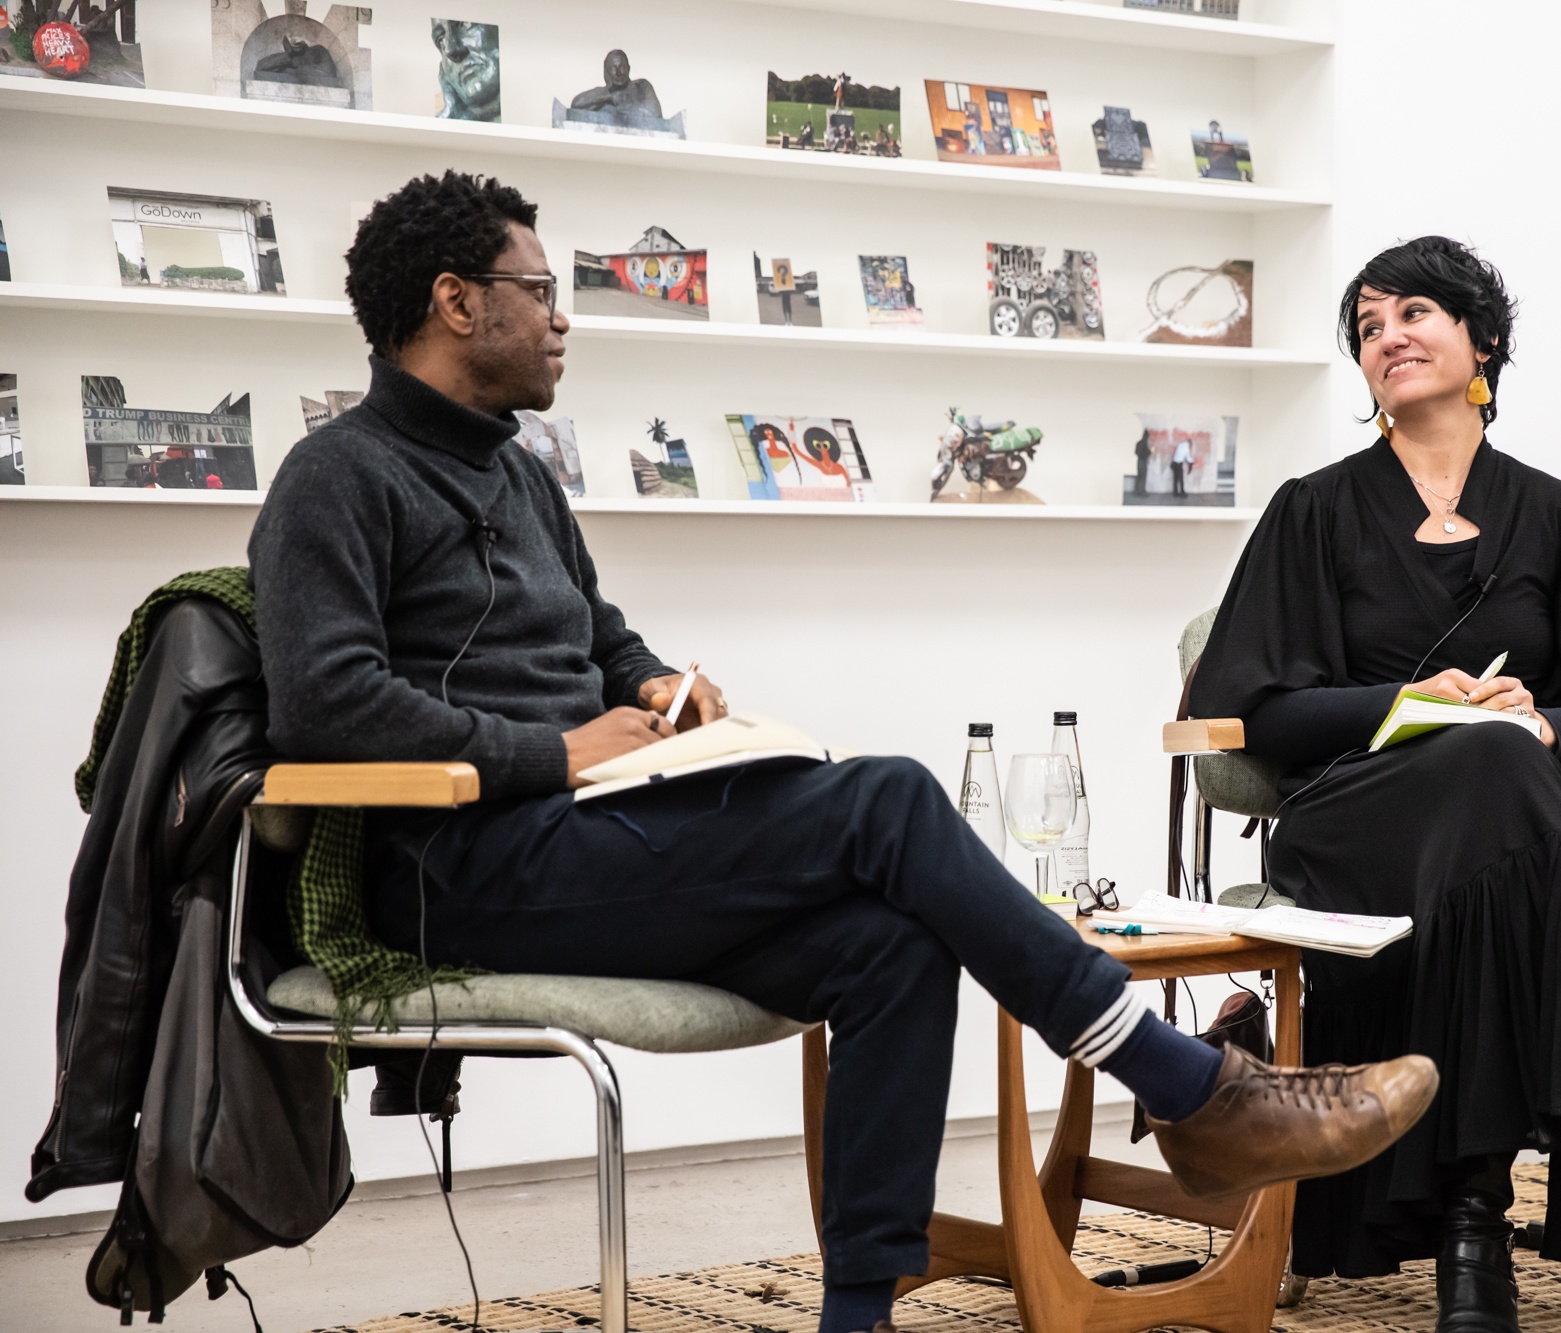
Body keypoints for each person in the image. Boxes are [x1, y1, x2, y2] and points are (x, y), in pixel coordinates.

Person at [247, 171, 1441, 1333]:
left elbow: (597, 637)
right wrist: (551, 753)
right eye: (541, 287)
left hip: (579, 835)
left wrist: (655, 687)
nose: (562, 316)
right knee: (888, 803)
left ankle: (857, 1312)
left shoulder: (515, 469)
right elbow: (326, 708)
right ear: (458, 303)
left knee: (889, 941)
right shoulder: (337, 476)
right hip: (457, 868)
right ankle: (1185, 1086)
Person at [1189, 236, 1561, 1330]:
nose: (1386, 337)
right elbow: (1264, 713)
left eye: (1411, 314)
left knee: (1500, 793)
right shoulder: (1312, 509)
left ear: (1479, 339)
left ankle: (1469, 1231)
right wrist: (1412, 705)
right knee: (1497, 780)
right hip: (1354, 820)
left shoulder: (1558, 512)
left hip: (1508, 825)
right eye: (1365, 328)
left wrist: (1539, 724)